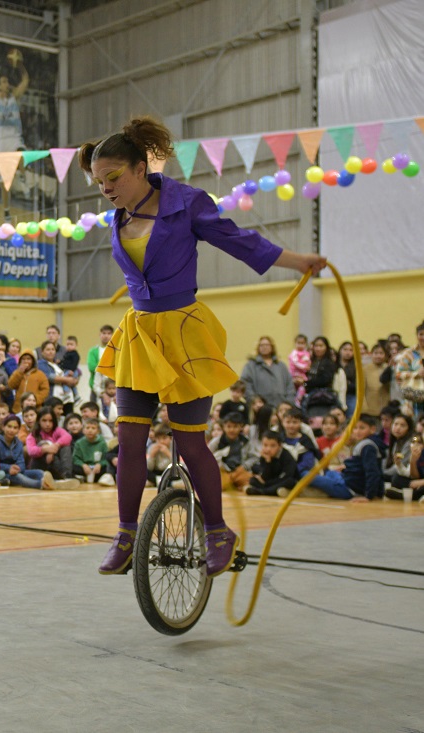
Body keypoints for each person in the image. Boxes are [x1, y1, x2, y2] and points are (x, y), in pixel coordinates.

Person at [81, 117, 326, 576]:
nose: (106, 189)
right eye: (99, 182)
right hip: (139, 335)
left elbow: (240, 242)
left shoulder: (186, 203)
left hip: (184, 334)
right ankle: (127, 533)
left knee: (190, 441)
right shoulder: (120, 215)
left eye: (113, 177)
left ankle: (217, 531)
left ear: (139, 168)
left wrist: (298, 262)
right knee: (129, 440)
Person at [308, 415, 383, 501]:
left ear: (372, 429)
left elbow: (372, 472)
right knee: (330, 473)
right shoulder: (363, 444)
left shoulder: (367, 446)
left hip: (351, 489)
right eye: (355, 428)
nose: (357, 431)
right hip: (348, 481)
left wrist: (368, 496)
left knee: (307, 476)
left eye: (362, 428)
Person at [239, 336, 294, 409]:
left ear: (272, 347)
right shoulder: (251, 366)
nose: (264, 347)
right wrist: (254, 401)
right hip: (260, 408)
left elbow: (290, 385)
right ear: (258, 348)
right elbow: (245, 384)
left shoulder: (281, 366)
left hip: (281, 408)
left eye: (267, 345)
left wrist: (288, 403)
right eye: (262, 345)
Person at [245, 430, 299, 497]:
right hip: (271, 482)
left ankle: (263, 491)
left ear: (280, 446)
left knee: (290, 481)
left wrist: (266, 483)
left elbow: (286, 476)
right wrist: (268, 461)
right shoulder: (264, 456)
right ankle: (269, 490)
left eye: (272, 446)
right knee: (252, 480)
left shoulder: (287, 457)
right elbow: (265, 477)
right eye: (265, 445)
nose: (268, 449)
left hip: (282, 480)